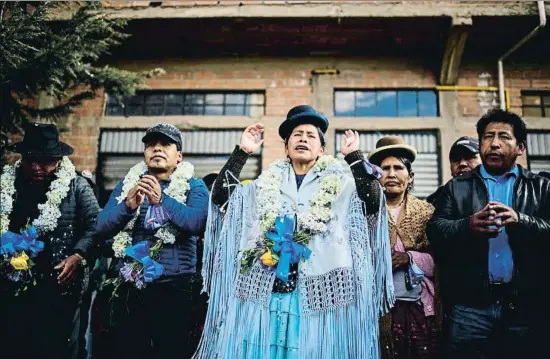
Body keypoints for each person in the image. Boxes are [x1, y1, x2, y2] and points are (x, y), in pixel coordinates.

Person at [194, 105, 394, 359]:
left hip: (319, 299)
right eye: (296, 134)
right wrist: (242, 152)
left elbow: (372, 201)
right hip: (266, 293)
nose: (302, 138)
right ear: (286, 146)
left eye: (311, 135)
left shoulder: (341, 186)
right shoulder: (264, 185)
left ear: (322, 149)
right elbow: (222, 197)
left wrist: (354, 156)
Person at [427, 109, 550, 359]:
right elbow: (436, 230)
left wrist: (522, 221)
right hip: (470, 307)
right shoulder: (456, 187)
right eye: (487, 136)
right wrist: (467, 225)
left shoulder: (541, 187)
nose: (494, 143)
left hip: (526, 305)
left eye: (504, 137)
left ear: (521, 147)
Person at [94, 122, 209, 359]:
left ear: (179, 156)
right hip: (130, 287)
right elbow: (100, 227)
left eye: (165, 144)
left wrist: (162, 200)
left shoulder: (193, 185)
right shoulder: (129, 185)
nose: (157, 149)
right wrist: (126, 206)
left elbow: (197, 223)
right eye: (151, 145)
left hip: (174, 288)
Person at [0, 123, 100, 359]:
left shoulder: (76, 186)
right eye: (30, 160)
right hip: (11, 287)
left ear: (57, 159)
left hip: (59, 289)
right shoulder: (6, 184)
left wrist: (78, 256)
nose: (36, 167)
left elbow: (97, 226)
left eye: (44, 161)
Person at [368, 136, 438, 359]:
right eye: (385, 168)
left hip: (418, 309)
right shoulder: (365, 213)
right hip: (375, 309)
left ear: (410, 177)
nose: (391, 174)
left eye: (398, 167)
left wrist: (409, 258)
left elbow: (440, 262)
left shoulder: (426, 213)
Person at [426, 136, 481, 206]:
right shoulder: (437, 199)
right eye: (456, 159)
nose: (462, 164)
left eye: (469, 157)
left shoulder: (496, 191)